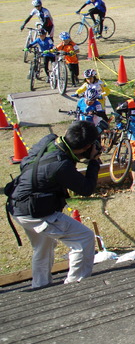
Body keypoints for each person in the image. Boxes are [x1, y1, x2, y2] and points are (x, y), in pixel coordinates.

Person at [7, 120, 102, 289]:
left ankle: (40, 285)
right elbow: (86, 189)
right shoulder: (61, 165)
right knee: (83, 239)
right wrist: (94, 162)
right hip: (36, 212)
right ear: (86, 146)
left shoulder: (49, 140)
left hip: (18, 204)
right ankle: (76, 284)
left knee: (43, 246)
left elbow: (24, 162)